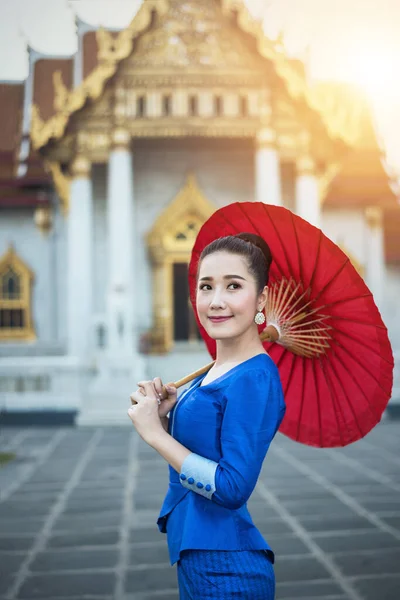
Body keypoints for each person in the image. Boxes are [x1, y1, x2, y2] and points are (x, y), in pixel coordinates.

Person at [128, 233, 286, 600]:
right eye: (206, 286)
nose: (216, 301)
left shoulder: (255, 377)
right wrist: (166, 417)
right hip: (200, 559)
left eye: (234, 286)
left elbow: (232, 487)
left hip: (228, 572)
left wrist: (156, 435)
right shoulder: (216, 368)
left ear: (261, 298)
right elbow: (205, 447)